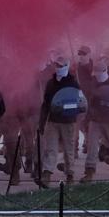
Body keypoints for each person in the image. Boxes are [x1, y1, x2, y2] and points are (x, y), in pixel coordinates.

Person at [38, 56, 81, 186]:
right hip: (53, 120)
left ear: (67, 66)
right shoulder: (51, 83)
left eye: (61, 65)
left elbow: (79, 103)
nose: (58, 68)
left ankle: (70, 174)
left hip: (68, 121)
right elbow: (45, 103)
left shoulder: (73, 83)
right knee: (50, 148)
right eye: (57, 65)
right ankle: (46, 174)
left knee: (69, 149)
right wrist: (42, 120)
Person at [82, 61, 109, 181]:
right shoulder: (93, 83)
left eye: (97, 73)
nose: (96, 75)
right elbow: (90, 100)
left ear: (104, 71)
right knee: (92, 145)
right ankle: (89, 171)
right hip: (96, 118)